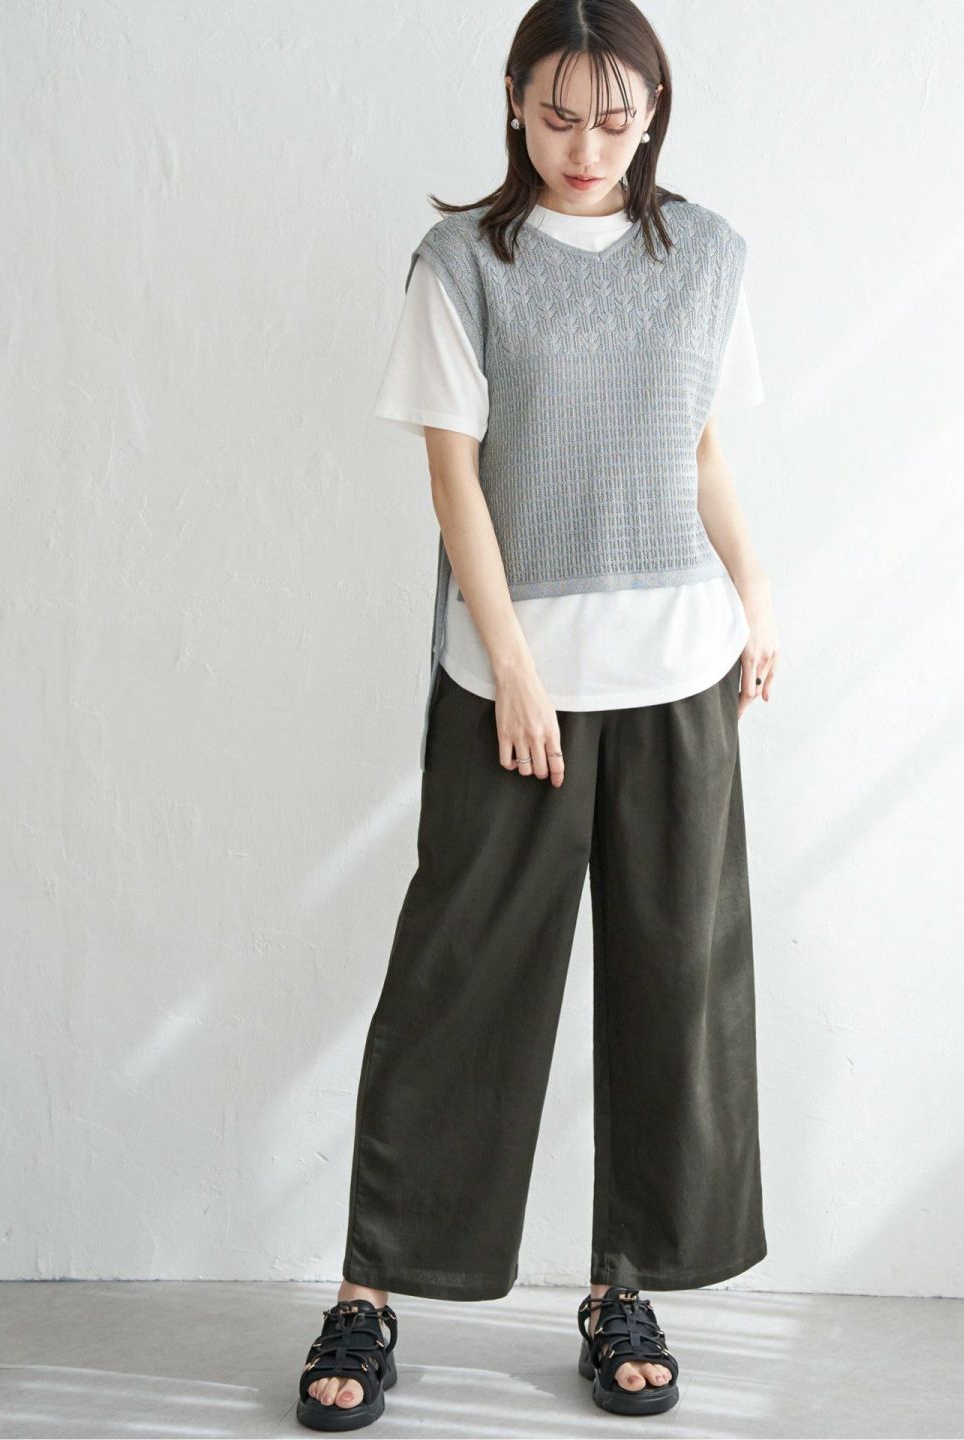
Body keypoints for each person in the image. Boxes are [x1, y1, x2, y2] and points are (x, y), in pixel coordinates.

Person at [296, 0, 778, 1427]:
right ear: (514, 101)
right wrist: (510, 663)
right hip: (514, 684)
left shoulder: (707, 255)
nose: (587, 146)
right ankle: (370, 1289)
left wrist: (760, 598)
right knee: (459, 985)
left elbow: (701, 453)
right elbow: (453, 477)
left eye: (616, 120)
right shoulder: (463, 263)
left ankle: (624, 1283)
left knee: (672, 985)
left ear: (653, 113)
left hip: (681, 667)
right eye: (560, 115)